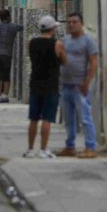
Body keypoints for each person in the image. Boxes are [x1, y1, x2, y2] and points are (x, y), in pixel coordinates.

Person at [24, 15, 67, 159]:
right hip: (51, 85)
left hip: (35, 83)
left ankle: (30, 149)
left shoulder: (31, 42)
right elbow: (64, 61)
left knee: (33, 119)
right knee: (47, 119)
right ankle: (43, 149)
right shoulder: (57, 44)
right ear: (53, 28)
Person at [58, 12, 99, 159]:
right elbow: (62, 59)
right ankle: (70, 146)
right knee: (69, 119)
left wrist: (87, 81)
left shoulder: (88, 41)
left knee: (85, 117)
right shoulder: (66, 40)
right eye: (69, 22)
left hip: (79, 86)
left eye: (74, 22)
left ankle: (91, 146)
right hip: (66, 85)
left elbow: (94, 62)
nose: (71, 24)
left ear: (81, 24)